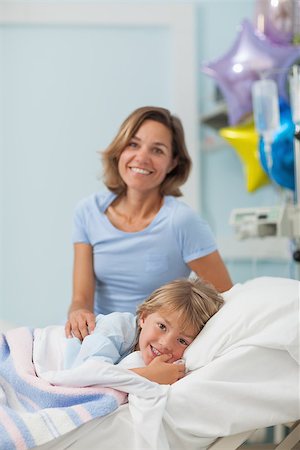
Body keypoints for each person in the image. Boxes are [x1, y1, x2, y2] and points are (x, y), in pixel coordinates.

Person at [65, 106, 232, 340]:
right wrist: (78, 314)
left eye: (157, 150)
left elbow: (225, 298)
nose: (142, 157)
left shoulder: (182, 221)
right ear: (120, 149)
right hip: (102, 338)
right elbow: (80, 300)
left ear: (173, 163)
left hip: (157, 346)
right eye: (133, 144)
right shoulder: (88, 212)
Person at [61, 278, 224, 385]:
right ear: (144, 317)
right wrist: (146, 375)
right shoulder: (117, 328)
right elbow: (85, 375)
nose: (165, 344)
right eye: (162, 326)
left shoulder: (173, 364)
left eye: (182, 341)